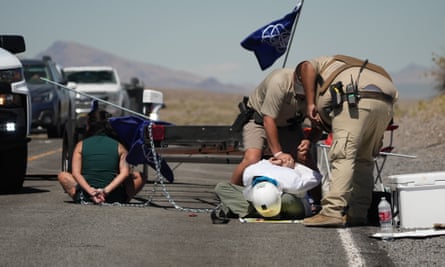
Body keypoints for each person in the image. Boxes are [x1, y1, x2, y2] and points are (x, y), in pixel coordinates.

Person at [293, 55, 398, 227]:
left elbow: (305, 66)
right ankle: (358, 213)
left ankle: (331, 212)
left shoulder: (322, 62)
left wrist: (311, 103)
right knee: (364, 159)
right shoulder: (350, 65)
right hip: (385, 101)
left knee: (343, 155)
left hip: (354, 98)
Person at [229, 67, 308, 186]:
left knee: (306, 160)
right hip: (259, 121)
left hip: (289, 124)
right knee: (252, 159)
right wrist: (278, 153)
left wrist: (309, 141)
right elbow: (268, 120)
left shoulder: (316, 88)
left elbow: (318, 119)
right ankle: (231, 192)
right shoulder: (279, 82)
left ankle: (317, 202)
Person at [57, 108, 146, 204]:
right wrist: (105, 191)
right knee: (139, 176)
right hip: (114, 197)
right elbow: (124, 174)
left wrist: (91, 192)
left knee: (63, 175)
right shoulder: (120, 147)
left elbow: (76, 174)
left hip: (86, 196)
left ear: (88, 126)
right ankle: (125, 200)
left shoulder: (80, 145)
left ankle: (82, 198)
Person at [212, 156, 322, 224]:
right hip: (257, 196)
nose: (285, 159)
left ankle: (248, 211)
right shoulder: (256, 169)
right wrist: (268, 162)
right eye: (282, 158)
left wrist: (296, 166)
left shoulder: (294, 178)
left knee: (286, 199)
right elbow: (246, 183)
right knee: (222, 187)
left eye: (289, 159)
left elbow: (316, 177)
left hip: (287, 203)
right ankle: (260, 211)